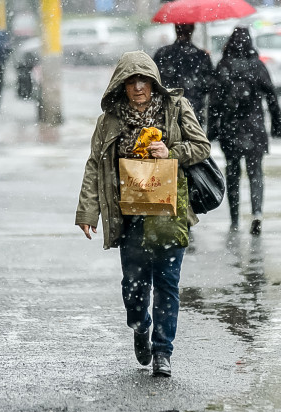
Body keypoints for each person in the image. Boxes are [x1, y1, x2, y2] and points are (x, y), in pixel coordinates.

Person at [75, 51, 211, 377]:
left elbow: (202, 146)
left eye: (144, 80)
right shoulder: (109, 121)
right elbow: (95, 165)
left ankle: (164, 351)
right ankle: (140, 327)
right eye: (131, 81)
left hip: (169, 212)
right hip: (130, 215)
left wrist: (171, 151)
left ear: (153, 82)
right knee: (134, 288)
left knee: (167, 284)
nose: (138, 87)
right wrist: (87, 211)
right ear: (121, 85)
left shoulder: (176, 109)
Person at [208, 27, 281, 236]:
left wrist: (212, 131)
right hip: (254, 127)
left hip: (230, 129)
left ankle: (234, 219)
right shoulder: (257, 66)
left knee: (232, 173)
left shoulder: (223, 66)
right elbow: (272, 96)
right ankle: (257, 212)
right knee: (255, 172)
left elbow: (214, 102)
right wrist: (277, 126)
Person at [153, 23, 214, 124]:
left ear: (175, 29)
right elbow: (209, 85)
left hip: (167, 109)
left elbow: (154, 80)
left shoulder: (162, 54)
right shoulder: (201, 56)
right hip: (193, 111)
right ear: (193, 29)